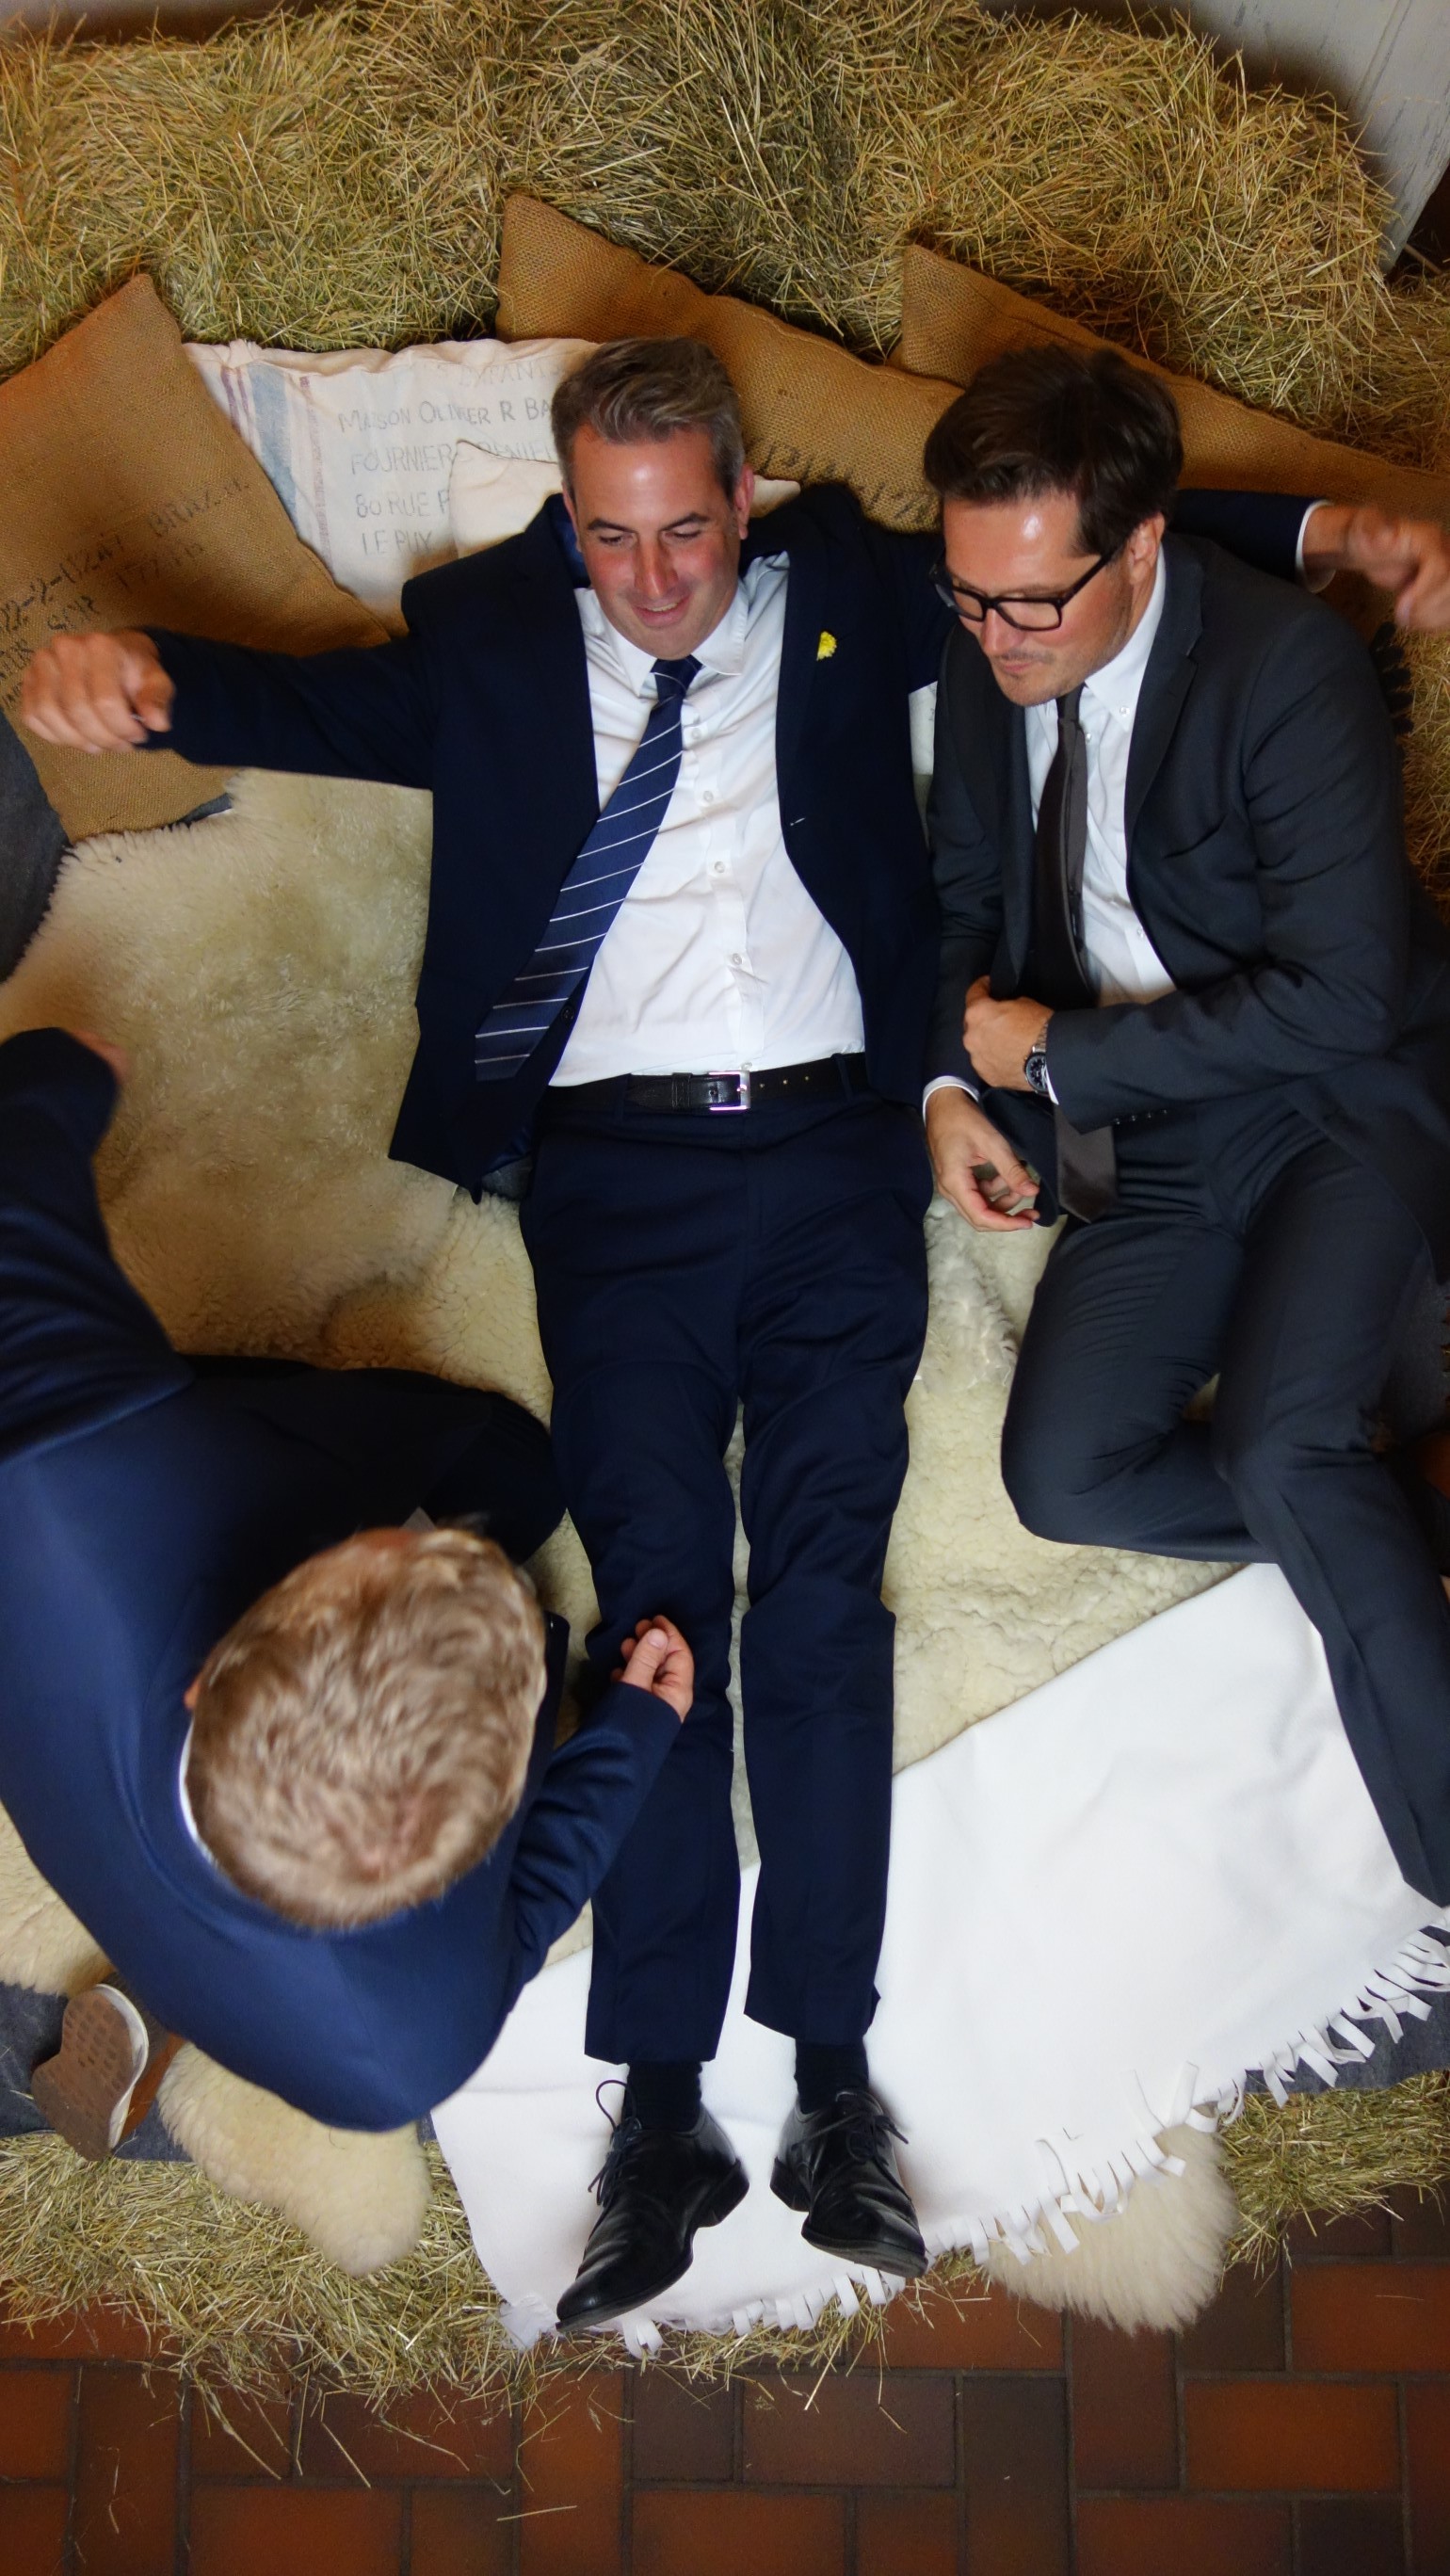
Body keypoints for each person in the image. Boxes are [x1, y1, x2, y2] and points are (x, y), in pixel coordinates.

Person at [20, 337, 1449, 2323]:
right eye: (613, 540)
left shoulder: (863, 593)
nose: (656, 579)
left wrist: (1313, 526)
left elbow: (1079, 546)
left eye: (688, 530)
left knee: (826, 1587)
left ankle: (835, 2077)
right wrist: (151, 681)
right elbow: (309, 702)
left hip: (837, 1148)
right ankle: (663, 2103)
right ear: (569, 519)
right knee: (654, 1612)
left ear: (741, 495)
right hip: (614, 1177)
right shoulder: (490, 646)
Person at [923, 342, 1450, 1908]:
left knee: (1286, 1441)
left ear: (1145, 547)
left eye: (1035, 604)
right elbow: (958, 893)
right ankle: (1403, 1505)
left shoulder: (1287, 671)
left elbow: (1347, 996)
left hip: (1328, 1101)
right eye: (970, 598)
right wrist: (951, 1089)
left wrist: (1063, 1052)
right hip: (1145, 1139)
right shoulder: (988, 640)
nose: (998, 639)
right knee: (1065, 1473)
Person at [0, 1023, 693, 2153]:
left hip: (89, 1760)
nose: (442, 1556)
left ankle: (171, 1984)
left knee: (506, 1474)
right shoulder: (399, 2057)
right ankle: (174, 1991)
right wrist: (628, 1739)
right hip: (177, 1874)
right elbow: (514, 1927)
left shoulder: (45, 1477)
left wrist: (69, 1071)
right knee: (511, 1476)